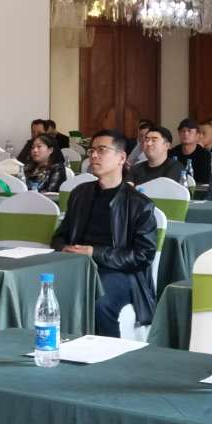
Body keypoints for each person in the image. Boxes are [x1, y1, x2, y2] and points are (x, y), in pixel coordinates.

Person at [51, 130, 158, 338]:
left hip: (120, 272)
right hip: (78, 265)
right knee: (40, 288)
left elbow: (143, 255)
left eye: (102, 150)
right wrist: (64, 248)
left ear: (121, 158)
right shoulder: (80, 193)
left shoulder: (139, 204)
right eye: (91, 150)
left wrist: (94, 252)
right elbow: (59, 236)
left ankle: (107, 352)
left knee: (99, 301)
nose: (93, 155)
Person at [169, 118, 212, 184]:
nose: (185, 134)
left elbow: (204, 180)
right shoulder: (172, 152)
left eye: (189, 131)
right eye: (183, 131)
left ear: (197, 135)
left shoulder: (204, 154)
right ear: (179, 134)